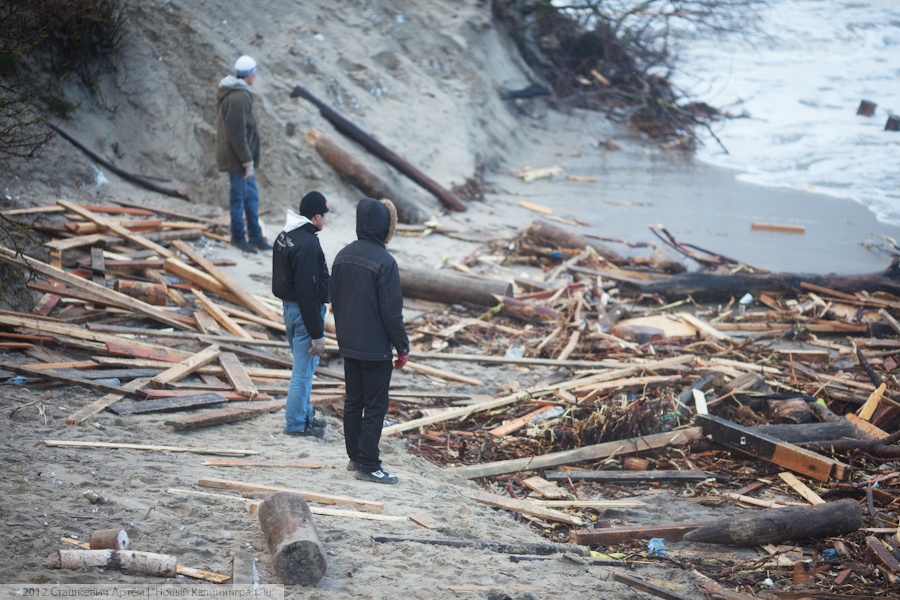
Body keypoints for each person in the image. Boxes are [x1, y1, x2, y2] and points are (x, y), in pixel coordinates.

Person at [330, 197, 410, 485]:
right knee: (375, 405)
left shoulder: (341, 255)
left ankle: (355, 458)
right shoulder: (385, 262)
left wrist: (344, 335)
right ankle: (368, 464)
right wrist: (402, 346)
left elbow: (335, 301)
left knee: (353, 401)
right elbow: (391, 312)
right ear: (384, 225)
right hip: (375, 348)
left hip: (349, 343)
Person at [272, 191, 331, 437]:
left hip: (289, 309)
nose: (327, 219)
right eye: (326, 214)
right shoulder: (307, 244)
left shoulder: (286, 235)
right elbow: (307, 292)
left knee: (304, 368)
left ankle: (304, 415)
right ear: (316, 216)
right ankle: (296, 424)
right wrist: (317, 333)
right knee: (303, 371)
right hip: (303, 312)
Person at [215, 54, 272, 254]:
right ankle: (238, 237)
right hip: (238, 160)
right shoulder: (238, 97)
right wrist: (247, 160)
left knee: (251, 197)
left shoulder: (240, 93)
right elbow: (237, 134)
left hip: (242, 159)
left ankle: (255, 237)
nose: (255, 77)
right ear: (248, 75)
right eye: (254, 73)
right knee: (239, 197)